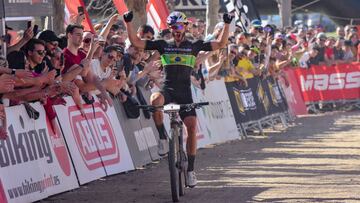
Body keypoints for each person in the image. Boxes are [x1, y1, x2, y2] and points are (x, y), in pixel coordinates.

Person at [123, 10, 233, 187]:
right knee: (154, 100)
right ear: (170, 28)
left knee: (191, 127)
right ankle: (162, 138)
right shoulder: (162, 44)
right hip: (168, 90)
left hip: (185, 93)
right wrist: (128, 23)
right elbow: (136, 42)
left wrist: (227, 24)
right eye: (173, 27)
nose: (177, 30)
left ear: (186, 26)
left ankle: (190, 170)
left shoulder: (195, 45)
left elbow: (221, 43)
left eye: (180, 26)